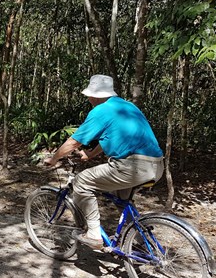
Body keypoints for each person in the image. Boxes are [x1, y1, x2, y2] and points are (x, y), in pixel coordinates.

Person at [44, 74, 164, 249]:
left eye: (89, 95)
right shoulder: (128, 106)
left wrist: (54, 158)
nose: (88, 99)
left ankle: (93, 233)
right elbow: (112, 135)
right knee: (120, 197)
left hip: (131, 166)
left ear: (95, 95)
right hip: (156, 165)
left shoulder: (101, 111)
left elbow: (74, 142)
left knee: (82, 181)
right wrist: (91, 154)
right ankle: (139, 240)